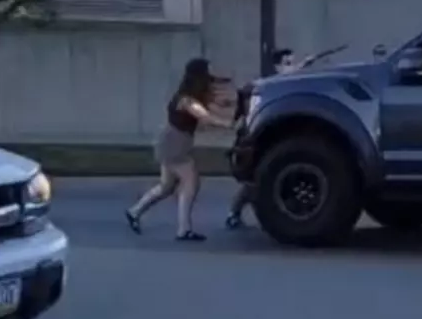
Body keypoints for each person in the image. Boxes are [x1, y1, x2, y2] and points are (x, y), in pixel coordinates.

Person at [126, 58, 235, 241]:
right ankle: (183, 229)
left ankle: (134, 211)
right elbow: (205, 117)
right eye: (207, 72)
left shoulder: (189, 95)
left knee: (167, 186)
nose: (210, 76)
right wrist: (228, 124)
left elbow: (210, 104)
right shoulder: (186, 100)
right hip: (174, 144)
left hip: (173, 141)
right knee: (191, 182)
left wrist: (227, 104)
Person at [226, 48, 317, 228]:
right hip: (256, 138)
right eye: (287, 63)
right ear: (277, 66)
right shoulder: (267, 86)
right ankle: (233, 213)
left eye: (293, 62)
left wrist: (306, 63)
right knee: (252, 182)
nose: (293, 67)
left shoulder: (286, 83)